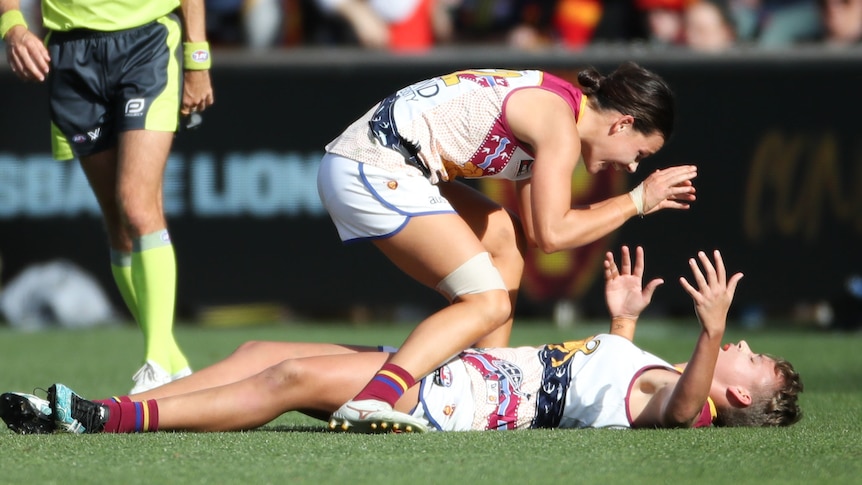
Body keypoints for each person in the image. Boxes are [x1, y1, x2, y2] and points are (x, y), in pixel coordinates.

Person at [0, 246, 803, 434]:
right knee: (257, 355)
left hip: (460, 400)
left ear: (734, 392)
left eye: (750, 361)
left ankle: (108, 422)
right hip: (465, 371)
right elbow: (625, 384)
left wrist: (712, 328)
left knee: (285, 380)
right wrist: (623, 319)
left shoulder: (687, 397)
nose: (741, 353)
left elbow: (675, 405)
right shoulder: (660, 374)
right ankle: (100, 408)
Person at [316, 63, 698, 431]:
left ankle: (484, 374)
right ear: (623, 123)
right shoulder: (559, 127)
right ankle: (374, 399)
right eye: (640, 153)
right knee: (488, 302)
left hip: (374, 160)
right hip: (373, 165)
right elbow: (554, 235)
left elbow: (536, 233)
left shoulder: (558, 108)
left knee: (507, 237)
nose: (633, 166)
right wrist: (636, 202)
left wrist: (633, 203)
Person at [0, 0, 215, 392]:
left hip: (146, 42)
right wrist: (12, 26)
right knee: (119, 224)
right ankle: (174, 363)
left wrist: (197, 59)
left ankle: (156, 364)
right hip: (70, 54)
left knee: (136, 203)